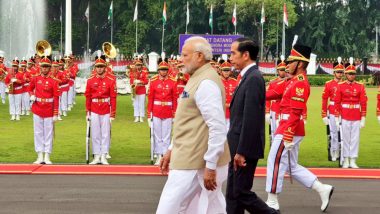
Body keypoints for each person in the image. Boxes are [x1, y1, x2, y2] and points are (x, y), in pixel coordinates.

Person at [157, 36, 230, 213]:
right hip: (191, 155)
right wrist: (171, 148)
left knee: (170, 206)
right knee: (208, 206)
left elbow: (217, 127)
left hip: (194, 159)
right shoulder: (199, 77)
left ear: (199, 56)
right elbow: (188, 121)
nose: (181, 59)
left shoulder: (205, 82)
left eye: (185, 55)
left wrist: (211, 165)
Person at [265, 44, 334, 212]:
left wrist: (287, 135)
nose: (286, 64)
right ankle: (321, 188)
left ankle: (272, 201)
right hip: (288, 127)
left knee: (274, 161)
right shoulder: (292, 81)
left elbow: (296, 113)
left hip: (289, 128)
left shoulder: (301, 83)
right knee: (291, 166)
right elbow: (272, 93)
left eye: (291, 61)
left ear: (301, 64)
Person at [226, 38, 277, 214]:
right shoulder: (246, 76)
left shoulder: (254, 78)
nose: (230, 57)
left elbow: (251, 118)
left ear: (246, 55)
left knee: (240, 193)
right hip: (237, 146)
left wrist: (241, 151)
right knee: (232, 195)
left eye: (233, 53)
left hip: (243, 149)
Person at [334, 58, 368, 168]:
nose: (351, 76)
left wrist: (363, 117)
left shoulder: (360, 86)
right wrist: (336, 116)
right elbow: (337, 102)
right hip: (344, 114)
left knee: (355, 138)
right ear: (345, 74)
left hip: (356, 115)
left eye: (353, 74)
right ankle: (346, 159)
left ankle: (353, 159)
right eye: (349, 74)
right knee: (345, 139)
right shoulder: (340, 86)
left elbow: (363, 102)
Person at [85, 53, 117, 165]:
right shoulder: (90, 80)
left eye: (101, 67)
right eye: (97, 67)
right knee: (95, 133)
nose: (99, 69)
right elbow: (88, 97)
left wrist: (113, 114)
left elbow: (113, 98)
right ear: (95, 67)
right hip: (94, 109)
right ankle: (96, 156)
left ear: (105, 67)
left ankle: (104, 155)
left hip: (106, 109)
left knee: (105, 134)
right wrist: (87, 112)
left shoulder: (111, 80)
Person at [28, 54, 60, 164]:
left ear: (50, 67)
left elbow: (56, 97)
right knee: (38, 132)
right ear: (40, 67)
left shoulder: (54, 80)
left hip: (49, 110)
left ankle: (47, 155)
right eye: (43, 66)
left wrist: (56, 113)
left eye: (46, 66)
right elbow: (29, 88)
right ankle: (39, 155)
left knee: (48, 133)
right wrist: (31, 94)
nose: (44, 68)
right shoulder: (36, 78)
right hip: (37, 108)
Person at [147, 61, 177, 165]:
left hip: (168, 111)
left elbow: (174, 99)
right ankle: (159, 155)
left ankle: (165, 155)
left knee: (166, 135)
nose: (163, 71)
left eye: (165, 69)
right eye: (161, 69)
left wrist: (174, 114)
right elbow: (150, 98)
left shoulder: (173, 81)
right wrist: (148, 114)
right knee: (157, 134)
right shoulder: (153, 81)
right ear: (158, 70)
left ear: (167, 71)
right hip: (156, 110)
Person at [321, 57, 344, 161]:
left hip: (344, 111)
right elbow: (324, 100)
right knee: (334, 134)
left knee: (343, 134)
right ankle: (334, 152)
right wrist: (324, 114)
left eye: (341, 72)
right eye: (338, 72)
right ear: (334, 72)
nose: (340, 74)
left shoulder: (345, 84)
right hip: (332, 109)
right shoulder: (328, 84)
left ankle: (343, 153)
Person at [265, 56, 288, 145]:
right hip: (274, 109)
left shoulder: (289, 82)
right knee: (274, 131)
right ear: (277, 70)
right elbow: (268, 98)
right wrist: (267, 111)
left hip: (284, 110)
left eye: (284, 69)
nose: (283, 71)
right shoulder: (273, 82)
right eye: (281, 69)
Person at [220, 61, 237, 131]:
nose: (226, 72)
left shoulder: (235, 82)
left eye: (228, 70)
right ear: (221, 71)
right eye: (224, 70)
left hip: (231, 113)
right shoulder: (217, 81)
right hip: (220, 112)